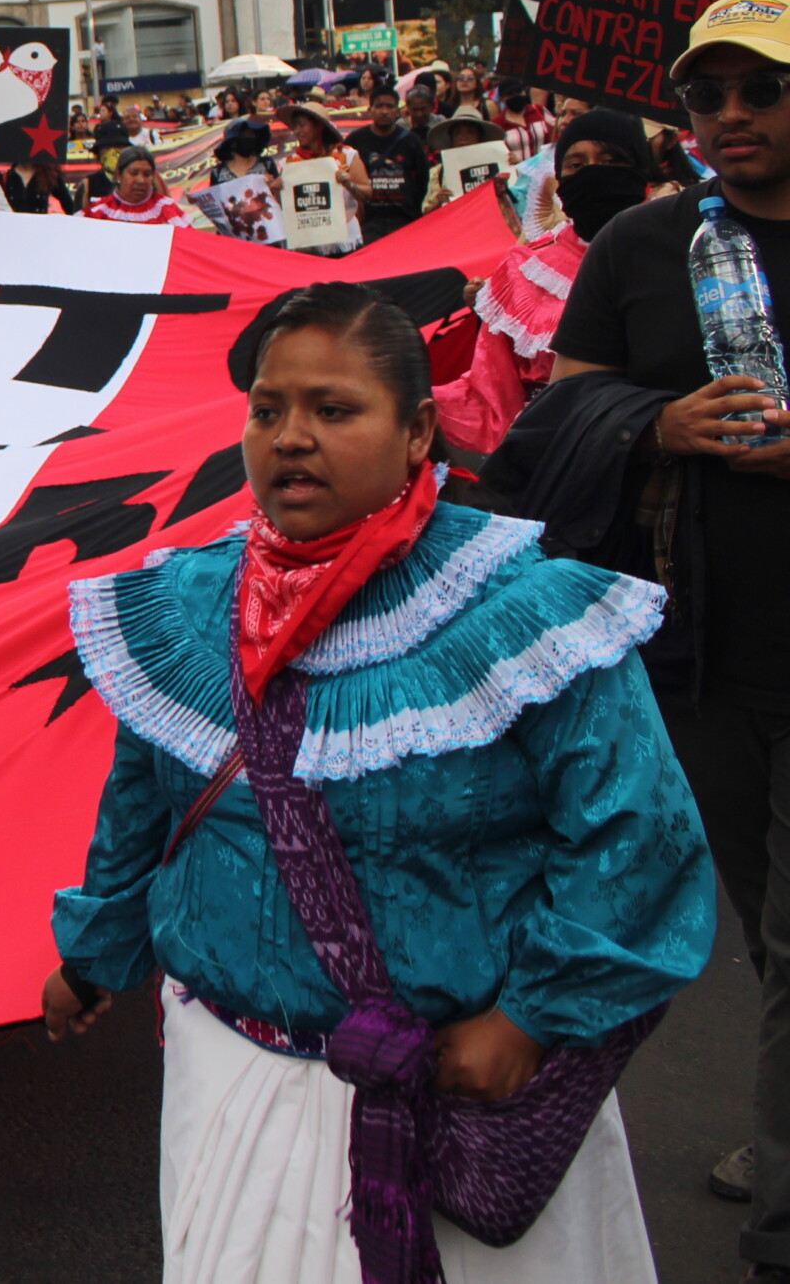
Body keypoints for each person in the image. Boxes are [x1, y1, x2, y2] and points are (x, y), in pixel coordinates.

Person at [48, 281, 710, 1284]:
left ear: (417, 435)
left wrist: (531, 1017)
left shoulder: (525, 611)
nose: (290, 438)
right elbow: (140, 799)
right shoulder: (183, 604)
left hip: (464, 1096)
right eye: (267, 410)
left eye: (333, 409)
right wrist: (95, 954)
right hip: (234, 1077)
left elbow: (638, 840)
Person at [512, 0, 790, 1271]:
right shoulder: (642, 246)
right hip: (706, 649)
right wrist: (661, 424)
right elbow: (559, 419)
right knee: (765, 922)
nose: (730, 116)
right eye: (705, 95)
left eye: (760, 91)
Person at [431, 111, 653, 458]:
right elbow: (492, 395)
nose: (594, 173)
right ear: (560, 180)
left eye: (612, 161)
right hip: (556, 461)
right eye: (577, 165)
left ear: (642, 174)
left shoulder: (680, 254)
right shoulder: (524, 269)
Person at [346, 86, 433, 244]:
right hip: (369, 221)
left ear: (398, 111)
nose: (384, 111)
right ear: (369, 110)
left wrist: (412, 207)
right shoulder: (355, 140)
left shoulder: (411, 141)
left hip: (404, 218)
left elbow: (423, 178)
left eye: (390, 106)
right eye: (379, 106)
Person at [285, 100, 372, 254]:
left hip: (346, 242)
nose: (297, 131)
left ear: (319, 127)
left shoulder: (346, 155)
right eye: (295, 126)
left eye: (302, 125)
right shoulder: (292, 162)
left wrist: (349, 184)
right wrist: (277, 188)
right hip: (310, 246)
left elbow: (367, 193)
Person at [84, 146, 191, 227]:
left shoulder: (167, 210)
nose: (141, 180)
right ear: (119, 174)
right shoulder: (98, 213)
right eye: (133, 173)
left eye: (147, 174)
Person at [1, 141, 82, 215]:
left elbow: (69, 205)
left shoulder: (48, 175)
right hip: (13, 227)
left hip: (39, 226)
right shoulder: (6, 177)